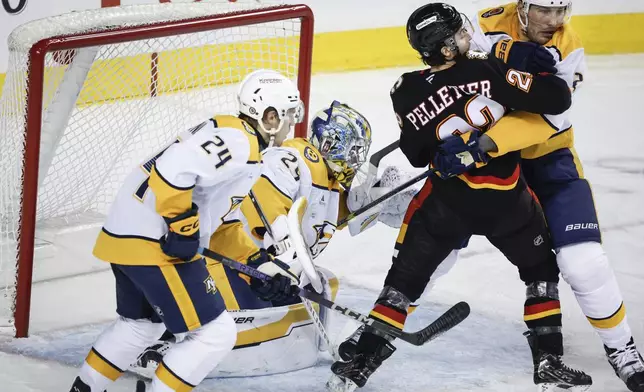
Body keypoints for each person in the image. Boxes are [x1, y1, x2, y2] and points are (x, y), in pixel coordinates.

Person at [330, 3, 592, 390]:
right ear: (449, 47)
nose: (470, 35)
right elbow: (557, 99)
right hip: (507, 202)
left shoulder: (404, 90)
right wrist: (512, 56)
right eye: (461, 33)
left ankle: (360, 365)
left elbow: (418, 154)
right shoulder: (490, 70)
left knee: (403, 284)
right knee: (540, 272)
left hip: (446, 206)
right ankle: (549, 361)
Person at [428, 1, 644, 390]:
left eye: (563, 10)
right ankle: (381, 327)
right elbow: (455, 84)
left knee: (583, 261)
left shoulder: (568, 44)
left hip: (548, 159)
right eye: (546, 10)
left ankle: (621, 347)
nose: (555, 20)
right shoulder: (487, 23)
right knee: (435, 242)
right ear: (523, 7)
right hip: (491, 163)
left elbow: (549, 117)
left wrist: (482, 144)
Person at [133, 100, 417, 378]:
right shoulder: (298, 157)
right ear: (333, 144)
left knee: (322, 283)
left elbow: (334, 214)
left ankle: (212, 334)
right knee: (247, 296)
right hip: (227, 258)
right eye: (354, 150)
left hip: (253, 266)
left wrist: (380, 198)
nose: (356, 159)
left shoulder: (326, 181)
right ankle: (163, 342)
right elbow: (263, 193)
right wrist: (281, 255)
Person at [69, 68, 304, 392]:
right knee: (215, 334)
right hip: (152, 240)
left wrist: (257, 266)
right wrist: (181, 228)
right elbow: (171, 170)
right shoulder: (241, 141)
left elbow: (216, 221)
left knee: (141, 328)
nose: (292, 123)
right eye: (289, 114)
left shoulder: (238, 140)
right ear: (269, 116)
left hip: (127, 234)